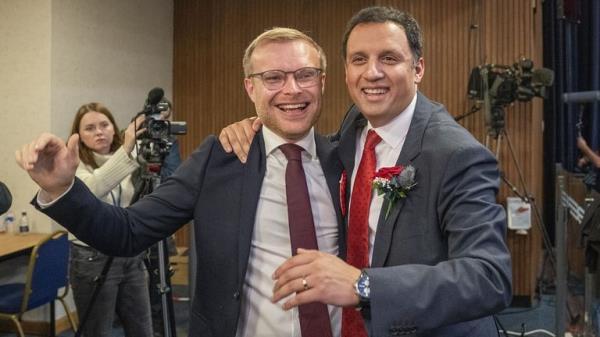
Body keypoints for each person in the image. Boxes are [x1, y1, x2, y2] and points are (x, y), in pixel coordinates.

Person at [16, 27, 344, 337]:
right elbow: (127, 233)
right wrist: (61, 188)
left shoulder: (348, 159)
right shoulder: (218, 160)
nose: (292, 89)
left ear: (322, 82)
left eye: (305, 75)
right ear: (250, 88)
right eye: (273, 77)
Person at [219, 6, 512, 337]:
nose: (371, 73)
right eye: (359, 59)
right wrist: (256, 128)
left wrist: (363, 285)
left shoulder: (458, 155)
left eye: (388, 58)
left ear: (418, 69)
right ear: (346, 72)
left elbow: (489, 277)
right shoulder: (354, 126)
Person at [67, 102, 153, 337]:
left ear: (114, 128)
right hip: (91, 257)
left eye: (104, 125)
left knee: (142, 329)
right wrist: (126, 151)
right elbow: (95, 187)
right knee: (98, 331)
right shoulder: (73, 163)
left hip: (129, 253)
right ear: (79, 135)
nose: (99, 132)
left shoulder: (128, 156)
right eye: (90, 128)